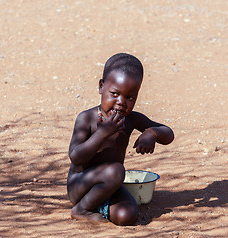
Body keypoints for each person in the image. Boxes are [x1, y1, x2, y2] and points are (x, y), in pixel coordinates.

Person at [67, 53, 174, 226]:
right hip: (80, 186)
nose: (121, 102)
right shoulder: (86, 118)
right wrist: (102, 134)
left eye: (130, 97)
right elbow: (76, 156)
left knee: (128, 216)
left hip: (110, 187)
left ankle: (99, 206)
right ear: (101, 87)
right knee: (116, 170)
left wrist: (152, 133)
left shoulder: (131, 119)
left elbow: (168, 134)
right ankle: (82, 209)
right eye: (115, 93)